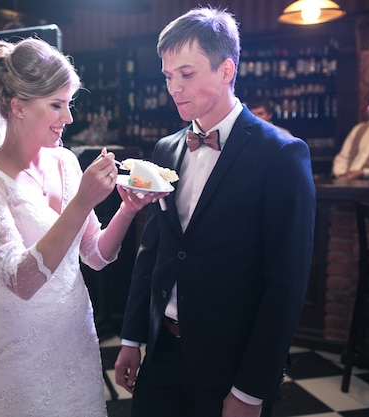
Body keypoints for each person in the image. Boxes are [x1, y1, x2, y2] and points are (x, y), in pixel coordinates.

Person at [0, 38, 166, 416]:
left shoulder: (66, 163)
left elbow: (95, 255)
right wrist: (83, 201)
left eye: (68, 104)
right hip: (20, 347)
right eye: (56, 105)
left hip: (76, 335)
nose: (69, 118)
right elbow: (21, 280)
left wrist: (125, 211)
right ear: (18, 107)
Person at [114, 7, 316, 417]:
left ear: (226, 71)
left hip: (232, 361)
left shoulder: (280, 154)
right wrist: (132, 339)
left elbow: (286, 284)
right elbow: (152, 252)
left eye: (186, 74)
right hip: (163, 351)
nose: (174, 87)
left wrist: (251, 390)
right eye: (168, 76)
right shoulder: (166, 149)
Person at [331, 88, 369, 180]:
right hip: (349, 187)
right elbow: (343, 158)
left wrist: (363, 173)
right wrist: (342, 175)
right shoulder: (359, 129)